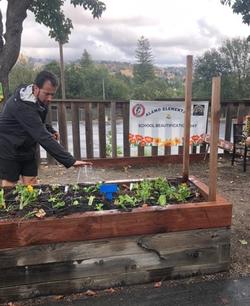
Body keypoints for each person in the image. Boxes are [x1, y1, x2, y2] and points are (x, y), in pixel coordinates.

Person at [0, 70, 91, 187]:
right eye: (47, 94)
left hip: (27, 148)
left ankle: (29, 206)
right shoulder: (21, 105)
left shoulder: (37, 99)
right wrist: (70, 161)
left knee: (31, 182)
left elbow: (38, 122)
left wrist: (50, 130)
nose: (50, 98)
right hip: (9, 148)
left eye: (52, 94)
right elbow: (41, 136)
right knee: (9, 185)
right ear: (35, 88)